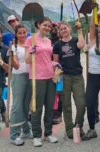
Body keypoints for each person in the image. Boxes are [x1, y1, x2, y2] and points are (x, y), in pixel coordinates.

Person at [25, 17, 59, 147]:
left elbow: (47, 59)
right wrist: (31, 52)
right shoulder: (31, 39)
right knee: (36, 108)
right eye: (45, 25)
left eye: (49, 26)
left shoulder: (48, 40)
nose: (47, 28)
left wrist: (54, 63)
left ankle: (48, 133)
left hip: (50, 76)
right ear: (39, 25)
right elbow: (28, 60)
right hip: (37, 77)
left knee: (49, 107)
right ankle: (37, 135)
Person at [53, 21, 86, 139]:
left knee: (81, 104)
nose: (63, 30)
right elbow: (56, 62)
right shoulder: (57, 45)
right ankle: (69, 129)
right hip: (64, 77)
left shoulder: (76, 40)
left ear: (69, 28)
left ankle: (79, 126)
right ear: (59, 32)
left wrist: (80, 30)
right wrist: (56, 75)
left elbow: (82, 46)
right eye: (61, 29)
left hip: (77, 76)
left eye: (65, 28)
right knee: (66, 105)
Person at [10, 24, 33, 146]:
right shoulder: (14, 47)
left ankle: (26, 131)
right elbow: (17, 65)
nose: (23, 35)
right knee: (17, 106)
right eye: (20, 33)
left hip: (29, 76)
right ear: (16, 34)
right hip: (18, 76)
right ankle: (14, 135)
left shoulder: (29, 45)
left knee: (25, 106)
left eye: (24, 32)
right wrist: (11, 58)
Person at [50, 22, 63, 125]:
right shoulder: (47, 41)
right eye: (51, 27)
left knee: (60, 92)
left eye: (55, 26)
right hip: (50, 70)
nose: (53, 29)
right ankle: (53, 112)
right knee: (52, 93)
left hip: (62, 70)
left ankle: (58, 113)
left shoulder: (62, 40)